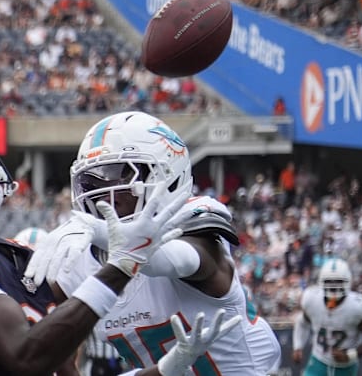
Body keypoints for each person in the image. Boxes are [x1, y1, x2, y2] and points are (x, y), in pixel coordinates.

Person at [0, 118, 241, 376]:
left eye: (118, 176)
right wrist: (121, 261)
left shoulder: (14, 257)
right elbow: (26, 354)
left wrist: (169, 367)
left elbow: (191, 260)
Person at [25, 111, 281, 375]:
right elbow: (32, 326)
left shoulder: (195, 224)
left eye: (119, 174)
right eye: (91, 180)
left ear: (166, 175)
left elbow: (172, 259)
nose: (102, 193)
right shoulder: (82, 259)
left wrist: (100, 232)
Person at [292, 258, 362, 376]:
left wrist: (350, 355)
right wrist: (298, 346)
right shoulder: (312, 300)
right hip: (318, 362)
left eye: (338, 281)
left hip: (345, 368)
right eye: (329, 281)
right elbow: (302, 322)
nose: (333, 286)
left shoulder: (357, 307)